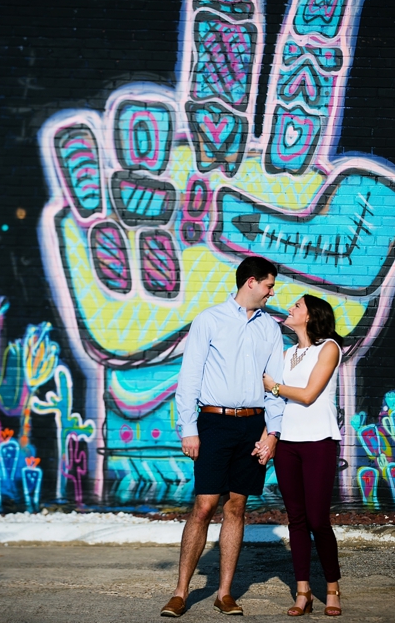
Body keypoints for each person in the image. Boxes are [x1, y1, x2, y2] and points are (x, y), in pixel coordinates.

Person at [160, 256, 286, 618]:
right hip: (213, 423)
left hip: (252, 425)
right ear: (250, 282)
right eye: (268, 285)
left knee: (237, 506)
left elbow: (274, 386)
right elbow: (189, 379)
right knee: (203, 506)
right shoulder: (209, 320)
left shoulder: (270, 329)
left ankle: (225, 593)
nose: (271, 292)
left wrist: (273, 432)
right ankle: (181, 592)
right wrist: (188, 429)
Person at [262, 295, 344, 617]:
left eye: (297, 306)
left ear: (310, 317)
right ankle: (303, 592)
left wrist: (274, 387)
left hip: (319, 442)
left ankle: (333, 588)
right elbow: (278, 407)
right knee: (296, 519)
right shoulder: (287, 354)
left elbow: (309, 395)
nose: (289, 309)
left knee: (318, 520)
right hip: (288, 445)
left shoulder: (330, 349)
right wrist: (267, 437)